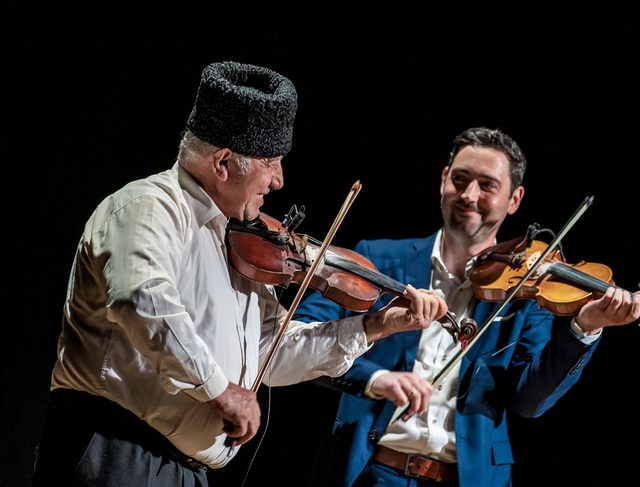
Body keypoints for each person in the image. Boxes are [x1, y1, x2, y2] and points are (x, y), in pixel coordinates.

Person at [31, 61, 447, 487]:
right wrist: (221, 390)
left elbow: (271, 350)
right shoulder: (149, 206)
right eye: (271, 162)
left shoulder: (237, 240)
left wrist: (377, 324)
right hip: (115, 454)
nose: (280, 180)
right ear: (224, 162)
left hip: (180, 471)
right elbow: (143, 303)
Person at [293, 126, 640, 487]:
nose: (468, 195)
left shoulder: (528, 294)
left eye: (487, 185)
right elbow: (302, 337)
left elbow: (528, 401)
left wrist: (585, 327)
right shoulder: (378, 257)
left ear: (514, 200)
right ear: (443, 180)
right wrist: (376, 378)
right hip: (368, 472)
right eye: (460, 179)